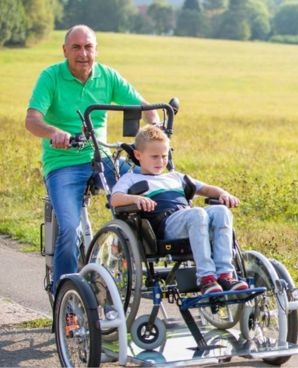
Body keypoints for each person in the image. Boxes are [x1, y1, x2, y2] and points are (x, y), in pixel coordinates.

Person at [25, 25, 160, 294]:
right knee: (70, 230)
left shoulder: (107, 76)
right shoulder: (51, 77)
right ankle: (64, 293)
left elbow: (143, 107)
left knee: (146, 194)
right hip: (62, 163)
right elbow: (32, 119)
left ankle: (129, 262)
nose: (82, 53)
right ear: (65, 50)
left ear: (96, 50)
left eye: (88, 47)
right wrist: (55, 133)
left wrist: (155, 127)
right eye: (76, 47)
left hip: (103, 158)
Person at [111, 125, 249, 295]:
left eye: (163, 156)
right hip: (166, 226)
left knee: (221, 211)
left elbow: (205, 188)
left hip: (191, 219)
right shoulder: (131, 178)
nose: (160, 162)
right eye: (154, 157)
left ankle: (225, 275)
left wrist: (223, 193)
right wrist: (136, 199)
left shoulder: (175, 176)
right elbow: (115, 199)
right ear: (138, 155)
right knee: (197, 213)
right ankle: (206, 278)